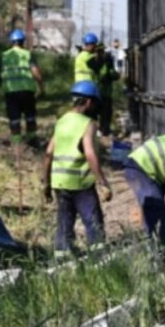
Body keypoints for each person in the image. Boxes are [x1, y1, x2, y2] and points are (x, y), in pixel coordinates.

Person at [42, 81, 112, 256]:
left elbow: (48, 153)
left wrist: (46, 183)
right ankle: (98, 260)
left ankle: (62, 261)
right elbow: (89, 154)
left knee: (64, 223)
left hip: (60, 183)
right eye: (95, 103)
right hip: (81, 184)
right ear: (88, 102)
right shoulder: (87, 124)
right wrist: (102, 182)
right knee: (93, 221)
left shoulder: (62, 121)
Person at [0, 29, 44, 144]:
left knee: (14, 118)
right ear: (22, 42)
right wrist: (41, 87)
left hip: (11, 92)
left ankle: (16, 143)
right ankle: (32, 140)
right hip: (27, 91)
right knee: (30, 117)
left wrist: (1, 84)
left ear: (11, 42)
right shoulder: (27, 54)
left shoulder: (4, 56)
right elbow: (36, 72)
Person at [94, 42, 119, 136]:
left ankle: (104, 130)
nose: (101, 53)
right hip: (99, 92)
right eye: (100, 51)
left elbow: (114, 75)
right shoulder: (96, 62)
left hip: (105, 93)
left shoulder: (106, 63)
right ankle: (100, 130)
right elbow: (103, 76)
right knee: (101, 113)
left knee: (106, 113)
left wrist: (112, 71)